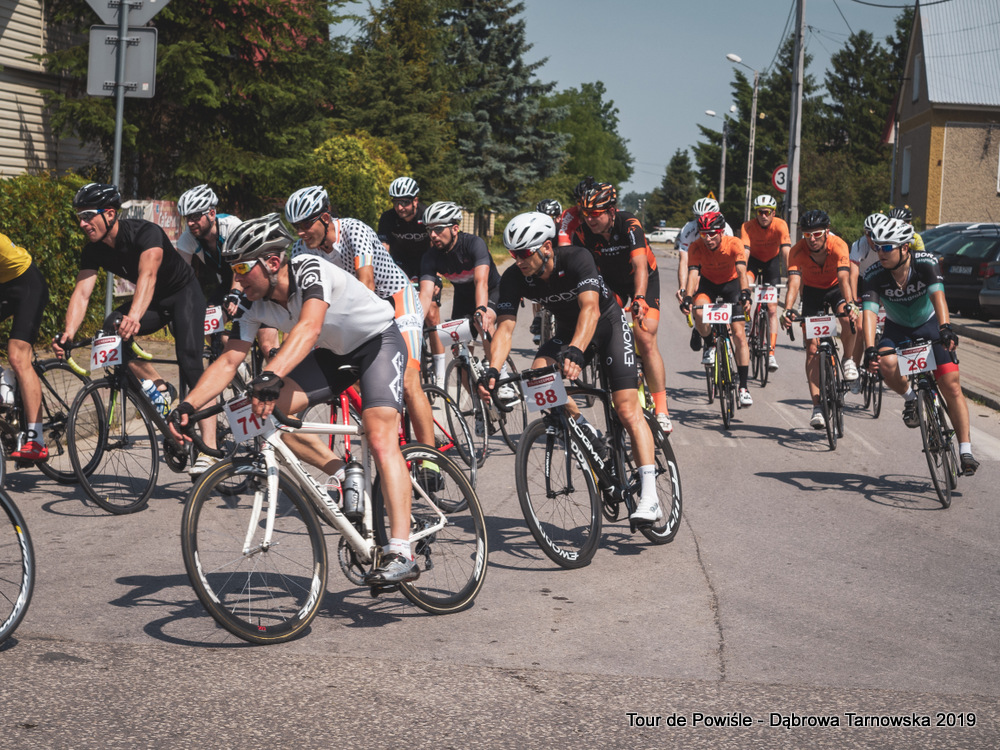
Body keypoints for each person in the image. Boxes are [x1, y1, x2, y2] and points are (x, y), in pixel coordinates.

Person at [167, 214, 420, 582]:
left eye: (242, 269)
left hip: (377, 342)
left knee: (380, 436)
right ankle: (344, 473)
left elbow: (309, 327)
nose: (237, 280)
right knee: (269, 417)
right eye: (233, 270)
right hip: (333, 354)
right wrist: (188, 406)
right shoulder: (251, 303)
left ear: (272, 262)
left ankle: (401, 551)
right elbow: (228, 361)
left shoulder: (310, 270)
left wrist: (271, 375)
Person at [481, 211, 665, 523]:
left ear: (547, 247)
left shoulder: (577, 258)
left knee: (626, 408)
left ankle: (650, 497)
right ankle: (585, 429)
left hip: (606, 324)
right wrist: (493, 370)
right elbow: (506, 327)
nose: (519, 260)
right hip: (569, 331)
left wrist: (577, 351)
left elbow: (590, 309)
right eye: (513, 254)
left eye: (524, 253)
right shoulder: (515, 277)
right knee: (538, 377)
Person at [53, 183, 214, 449]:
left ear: (110, 214)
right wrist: (69, 332)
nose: (82, 223)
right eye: (79, 217)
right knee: (110, 330)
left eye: (88, 216)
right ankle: (160, 387)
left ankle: (210, 446)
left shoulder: (146, 233)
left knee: (190, 362)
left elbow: (147, 276)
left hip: (183, 294)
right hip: (155, 303)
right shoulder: (93, 249)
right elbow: (82, 293)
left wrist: (135, 316)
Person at [284, 185, 435, 452]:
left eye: (306, 224)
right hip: (355, 314)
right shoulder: (300, 250)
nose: (301, 232)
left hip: (396, 301)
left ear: (325, 218)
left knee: (408, 382)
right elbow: (297, 304)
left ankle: (429, 460)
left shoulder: (354, 230)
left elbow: (367, 283)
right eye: (296, 226)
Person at [860, 217, 979, 475]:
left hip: (930, 324)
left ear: (905, 247)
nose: (880, 252)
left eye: (887, 247)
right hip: (897, 328)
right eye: (878, 247)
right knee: (885, 362)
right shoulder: (873, 274)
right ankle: (911, 399)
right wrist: (869, 348)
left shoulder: (925, 262)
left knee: (951, 385)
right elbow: (869, 312)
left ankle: (966, 450)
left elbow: (938, 296)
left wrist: (945, 328)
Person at [573, 183, 674, 434]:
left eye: (595, 214)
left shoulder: (629, 224)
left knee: (645, 336)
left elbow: (640, 265)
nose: (589, 219)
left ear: (611, 211)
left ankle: (662, 410)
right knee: (602, 326)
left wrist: (639, 298)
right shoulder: (582, 234)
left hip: (643, 279)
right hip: (611, 285)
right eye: (585, 214)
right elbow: (583, 273)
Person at [779, 209, 859, 430]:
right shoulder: (797, 251)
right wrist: (788, 309)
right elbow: (794, 283)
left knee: (848, 320)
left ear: (827, 231)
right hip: (812, 293)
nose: (812, 239)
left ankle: (848, 359)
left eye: (817, 234)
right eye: (807, 235)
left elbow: (844, 278)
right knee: (812, 349)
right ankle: (816, 407)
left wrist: (850, 303)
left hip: (835, 289)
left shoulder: (839, 245)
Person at [377, 176, 446, 386]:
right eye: (396, 202)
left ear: (415, 200)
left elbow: (438, 247)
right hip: (400, 267)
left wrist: (437, 276)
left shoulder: (426, 215)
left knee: (431, 314)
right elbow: (383, 252)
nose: (400, 207)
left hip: (427, 264)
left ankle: (440, 372)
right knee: (397, 313)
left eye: (405, 202)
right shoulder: (388, 218)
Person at [679, 211, 753, 407]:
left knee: (739, 335)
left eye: (712, 234)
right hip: (708, 286)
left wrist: (745, 293)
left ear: (721, 232)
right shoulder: (696, 247)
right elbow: (693, 274)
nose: (708, 238)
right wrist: (688, 297)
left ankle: (743, 388)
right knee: (699, 311)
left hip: (732, 286)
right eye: (704, 234)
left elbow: (741, 271)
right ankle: (710, 344)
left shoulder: (734, 243)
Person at [418, 200, 501, 365]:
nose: (433, 235)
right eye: (429, 230)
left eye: (438, 229)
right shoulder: (430, 256)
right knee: (460, 353)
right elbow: (426, 294)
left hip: (491, 291)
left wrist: (481, 309)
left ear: (455, 229)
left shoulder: (474, 244)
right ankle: (471, 380)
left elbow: (481, 282)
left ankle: (499, 371)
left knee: (483, 323)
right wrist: (416, 321)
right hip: (463, 298)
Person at [0, 231, 50, 460]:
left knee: (18, 357)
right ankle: (5, 380)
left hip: (27, 284)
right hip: (4, 286)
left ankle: (36, 440)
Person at [741, 194, 790, 372]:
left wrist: (791, 274)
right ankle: (747, 319)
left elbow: (786, 251)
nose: (763, 215)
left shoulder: (781, 225)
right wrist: (742, 279)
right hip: (753, 261)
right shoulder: (747, 226)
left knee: (772, 309)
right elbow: (745, 253)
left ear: (773, 213)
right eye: (760, 212)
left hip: (771, 263)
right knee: (746, 284)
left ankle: (771, 354)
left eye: (767, 212)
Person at [846, 212, 889, 387]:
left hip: (883, 280)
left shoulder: (889, 245)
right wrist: (853, 302)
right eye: (870, 234)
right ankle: (855, 370)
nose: (873, 238)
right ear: (866, 234)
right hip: (864, 281)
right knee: (860, 327)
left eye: (878, 233)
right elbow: (853, 273)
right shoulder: (860, 245)